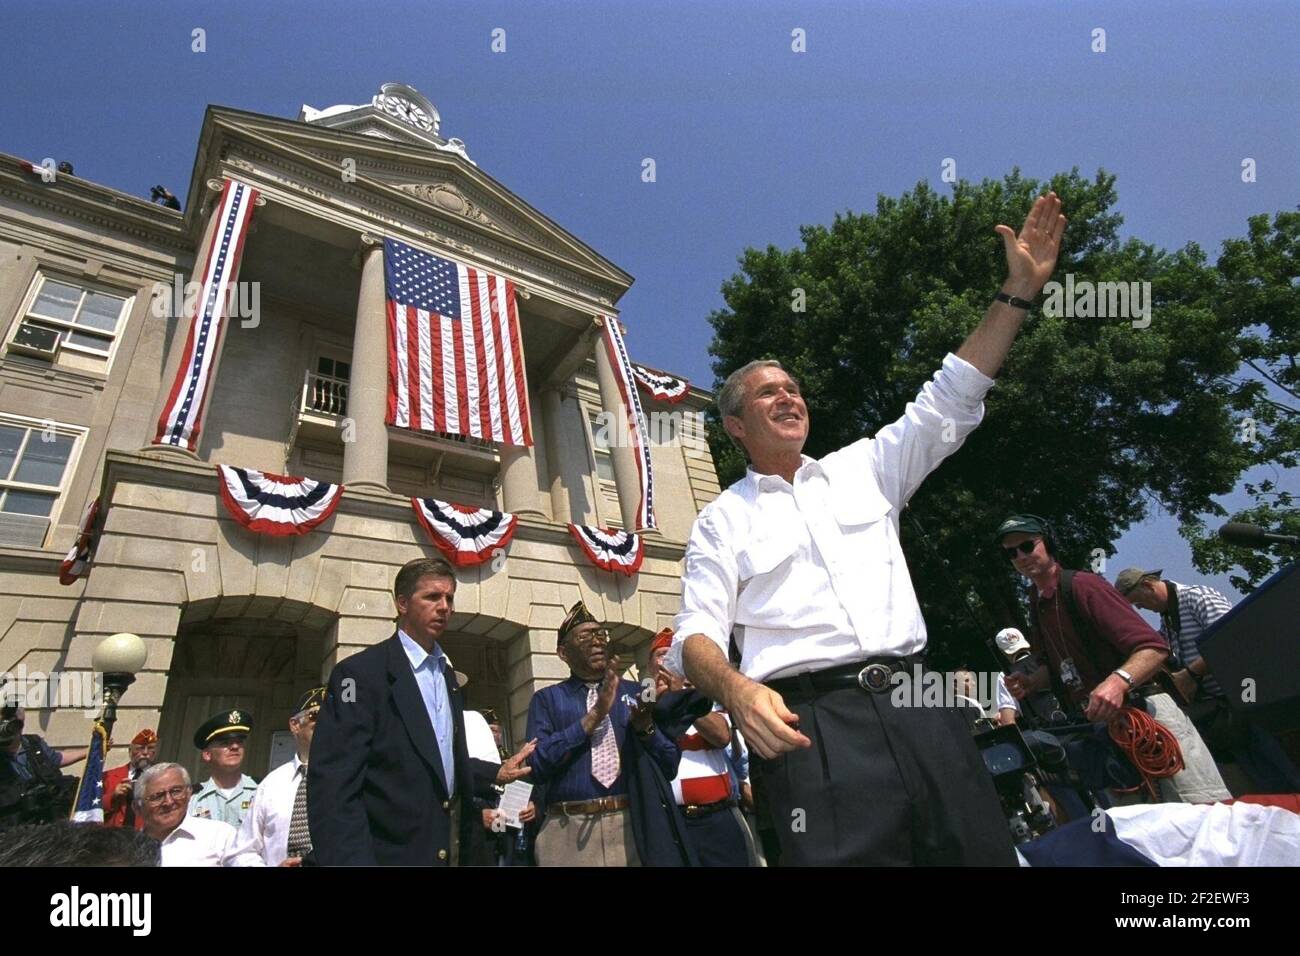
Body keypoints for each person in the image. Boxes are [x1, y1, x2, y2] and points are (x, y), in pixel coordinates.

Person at [673, 193, 1069, 865]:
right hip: (814, 738)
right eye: (768, 392)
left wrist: (1018, 292)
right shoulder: (721, 521)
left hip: (924, 715)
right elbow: (695, 636)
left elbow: (952, 394)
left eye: (793, 388)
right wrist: (738, 691)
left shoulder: (869, 467)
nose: (788, 396)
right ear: (736, 426)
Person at [995, 516, 1229, 803]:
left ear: (1050, 543)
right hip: (1106, 732)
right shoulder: (1037, 601)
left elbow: (1153, 648)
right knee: (1143, 832)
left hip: (1147, 717)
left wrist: (1118, 683)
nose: (1021, 556)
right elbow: (1054, 667)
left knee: (1202, 815)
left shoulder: (1085, 586)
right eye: (1011, 552)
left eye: (1028, 545)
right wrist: (1030, 682)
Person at [308, 557, 485, 866]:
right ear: (402, 603)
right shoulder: (356, 675)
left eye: (450, 598)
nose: (445, 607)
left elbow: (445, 769)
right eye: (432, 597)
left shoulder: (449, 677)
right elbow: (334, 789)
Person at [525, 601, 686, 866]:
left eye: (601, 635)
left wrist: (645, 727)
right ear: (563, 653)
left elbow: (669, 764)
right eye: (585, 636)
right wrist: (593, 717)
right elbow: (537, 764)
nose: (597, 642)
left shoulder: (636, 693)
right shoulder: (548, 700)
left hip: (630, 826)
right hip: (568, 831)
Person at [1115, 567, 1300, 794]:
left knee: (1285, 767)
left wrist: (1190, 675)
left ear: (1147, 585)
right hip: (1229, 713)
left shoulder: (1197, 597)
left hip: (1248, 699)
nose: (1141, 608)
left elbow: (1231, 639)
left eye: (1137, 602)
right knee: (1269, 782)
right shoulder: (1168, 620)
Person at [651, 629, 754, 866]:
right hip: (673, 822)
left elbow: (721, 735)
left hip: (718, 819)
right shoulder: (644, 706)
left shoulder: (707, 698)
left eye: (670, 654)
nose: (665, 660)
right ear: (650, 665)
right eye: (659, 655)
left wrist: (682, 698)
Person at [225, 688, 324, 866]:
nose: (326, 722)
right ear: (295, 725)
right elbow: (242, 852)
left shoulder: (355, 777)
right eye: (316, 715)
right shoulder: (272, 784)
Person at [0, 703, 86, 828]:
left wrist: (90, 751)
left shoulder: (33, 742)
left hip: (48, 817)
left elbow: (56, 759)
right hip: (15, 824)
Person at [135, 762, 234, 866]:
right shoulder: (127, 847)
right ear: (137, 807)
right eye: (158, 796)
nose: (169, 802)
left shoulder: (220, 835)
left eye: (176, 792)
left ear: (189, 794)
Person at [189, 709, 258, 827]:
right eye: (225, 743)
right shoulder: (192, 798)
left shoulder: (261, 791)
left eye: (239, 742)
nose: (235, 746)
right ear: (207, 754)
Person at [102, 728, 158, 829]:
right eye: (140, 748)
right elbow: (93, 809)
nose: (145, 752)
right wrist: (113, 796)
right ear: (130, 751)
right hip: (113, 836)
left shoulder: (160, 777)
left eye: (150, 748)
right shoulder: (109, 776)